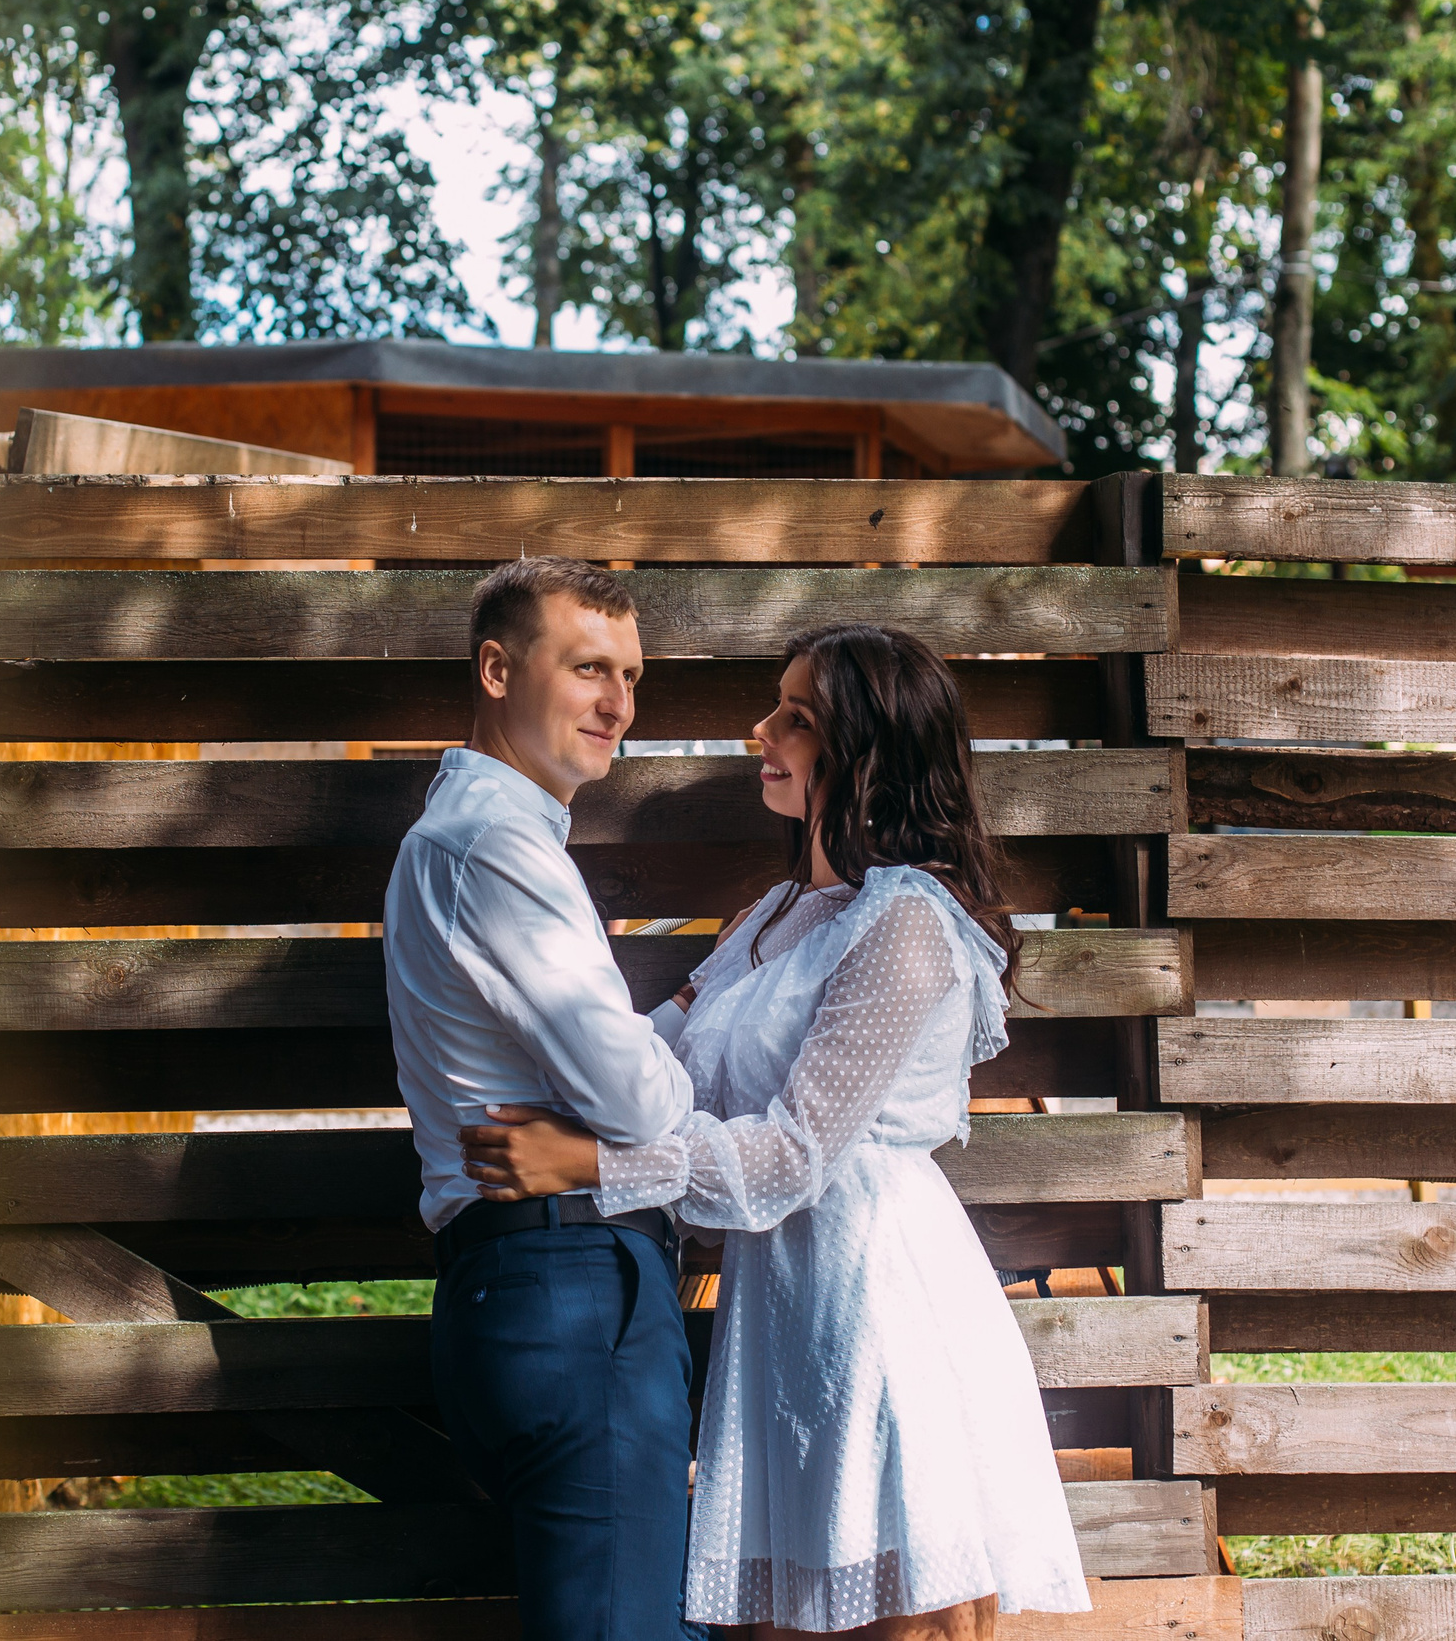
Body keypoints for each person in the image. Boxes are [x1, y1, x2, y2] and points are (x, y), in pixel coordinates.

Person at [461, 624, 1092, 1640]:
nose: (761, 729)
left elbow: (793, 1155)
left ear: (871, 756)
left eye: (796, 718)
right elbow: (653, 1062)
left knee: (902, 1620)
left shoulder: (906, 923)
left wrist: (590, 1164)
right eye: (776, 706)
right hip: (780, 1309)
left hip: (878, 1299)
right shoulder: (769, 919)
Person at [381, 557, 706, 1641]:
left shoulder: (473, 834)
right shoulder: (495, 845)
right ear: (495, 668)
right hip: (570, 1278)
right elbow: (640, 1104)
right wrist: (661, 1054)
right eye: (585, 669)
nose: (616, 703)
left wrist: (643, 1038)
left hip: (527, 1279)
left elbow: (609, 1072)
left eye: (630, 675)